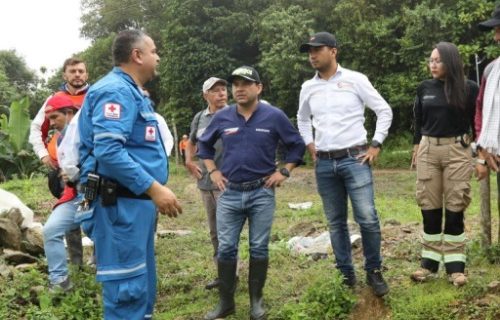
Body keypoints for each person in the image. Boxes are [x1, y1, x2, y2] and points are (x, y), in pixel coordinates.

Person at [77, 29, 182, 320]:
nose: (157, 57)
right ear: (137, 55)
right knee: (127, 292)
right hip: (119, 207)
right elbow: (108, 152)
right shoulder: (115, 91)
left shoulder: (132, 92)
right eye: (154, 50)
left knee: (141, 288)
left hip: (133, 206)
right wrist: (154, 189)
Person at [198, 66, 305, 320]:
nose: (239, 89)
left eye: (246, 83)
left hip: (261, 193)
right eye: (236, 84)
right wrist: (212, 171)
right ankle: (226, 304)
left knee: (258, 247)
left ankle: (256, 302)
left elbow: (296, 144)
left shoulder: (274, 116)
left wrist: (285, 171)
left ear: (259, 88)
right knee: (225, 248)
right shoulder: (223, 118)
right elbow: (203, 144)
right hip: (230, 193)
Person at [297, 32, 392, 297]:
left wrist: (376, 144)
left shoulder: (355, 80)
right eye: (309, 51)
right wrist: (310, 144)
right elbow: (302, 119)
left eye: (317, 49)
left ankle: (373, 271)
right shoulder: (308, 87)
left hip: (355, 158)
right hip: (325, 163)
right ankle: (345, 273)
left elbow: (384, 110)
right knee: (336, 222)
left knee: (368, 218)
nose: (312, 55)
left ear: (334, 51)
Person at [410, 42, 479, 286]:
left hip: (457, 150)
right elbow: (418, 120)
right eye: (431, 60)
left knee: (454, 206)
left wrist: (479, 155)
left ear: (450, 62)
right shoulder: (424, 88)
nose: (433, 64)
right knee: (429, 207)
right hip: (429, 150)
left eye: (438, 60)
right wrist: (416, 146)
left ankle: (455, 268)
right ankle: (428, 265)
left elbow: (476, 122)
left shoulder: (469, 89)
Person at [29, 57, 88, 267]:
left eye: (81, 71)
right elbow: (36, 128)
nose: (77, 75)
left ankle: (100, 262)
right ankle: (77, 263)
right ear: (65, 75)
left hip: (90, 170)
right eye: (73, 71)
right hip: (62, 169)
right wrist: (43, 154)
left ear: (86, 74)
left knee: (92, 212)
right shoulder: (54, 99)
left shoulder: (95, 96)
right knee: (70, 211)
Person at [185, 77, 229, 290]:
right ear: (205, 95)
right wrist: (189, 161)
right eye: (215, 90)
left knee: (226, 231)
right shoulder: (200, 118)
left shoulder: (235, 114)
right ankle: (222, 274)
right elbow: (192, 143)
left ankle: (231, 275)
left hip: (227, 183)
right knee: (214, 232)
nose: (221, 93)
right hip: (205, 183)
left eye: (223, 89)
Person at [42, 95, 80, 292]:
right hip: (75, 196)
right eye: (49, 119)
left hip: (94, 194)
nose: (52, 122)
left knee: (100, 230)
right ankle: (60, 281)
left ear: (70, 113)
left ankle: (103, 270)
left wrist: (79, 171)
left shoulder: (87, 131)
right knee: (50, 229)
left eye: (55, 117)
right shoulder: (59, 140)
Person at [475, 8, 500, 180]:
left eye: (499, 30)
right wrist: (482, 150)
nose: (496, 37)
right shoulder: (491, 71)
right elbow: (480, 110)